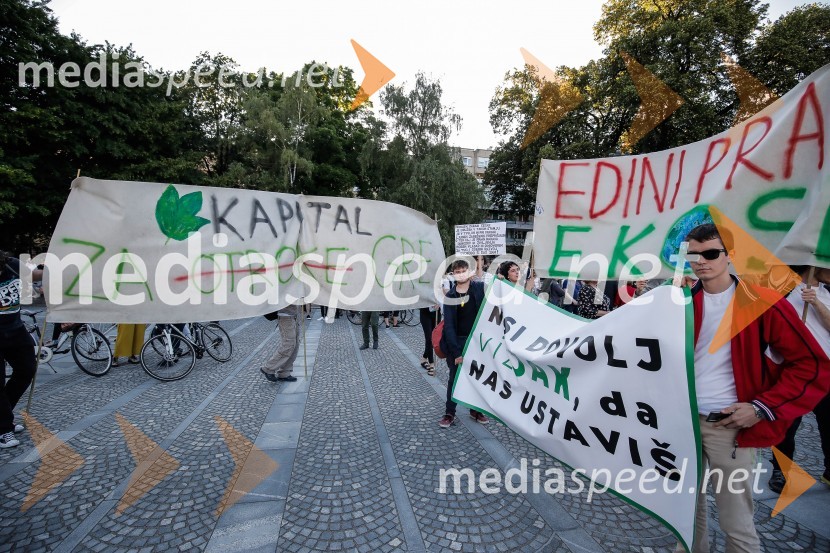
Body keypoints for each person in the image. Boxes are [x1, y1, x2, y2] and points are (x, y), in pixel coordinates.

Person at [677, 224, 830, 553]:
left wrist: (761, 406)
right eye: (694, 254)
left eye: (711, 253)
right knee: (684, 516)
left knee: (737, 525)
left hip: (729, 429)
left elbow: (810, 363)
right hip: (683, 425)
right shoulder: (682, 303)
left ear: (729, 255)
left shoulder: (764, 303)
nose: (701, 261)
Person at [767, 265, 830, 492]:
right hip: (792, 372)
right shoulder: (784, 291)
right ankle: (780, 470)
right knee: (786, 425)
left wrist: (816, 304)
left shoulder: (826, 293)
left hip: (825, 372)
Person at [438, 259, 488, 428]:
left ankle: (475, 410)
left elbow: (498, 295)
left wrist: (501, 281)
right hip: (457, 342)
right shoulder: (451, 296)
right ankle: (449, 412)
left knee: (477, 377)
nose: (460, 274)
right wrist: (457, 352)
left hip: (476, 341)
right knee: (455, 378)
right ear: (453, 274)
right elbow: (449, 327)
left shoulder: (479, 288)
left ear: (469, 272)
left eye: (463, 270)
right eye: (457, 271)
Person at [0, 251, 42, 448]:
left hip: (16, 330)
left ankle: (4, 416)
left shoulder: (10, 264)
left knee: (27, 370)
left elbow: (33, 275)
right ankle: (3, 429)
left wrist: (54, 271)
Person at [260, 304, 300, 382]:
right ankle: (268, 368)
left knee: (294, 345)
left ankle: (284, 373)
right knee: (289, 345)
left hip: (293, 315)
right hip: (285, 316)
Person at [419, 306, 439, 376]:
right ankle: (432, 364)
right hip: (425, 312)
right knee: (429, 338)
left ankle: (424, 358)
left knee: (434, 338)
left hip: (437, 312)